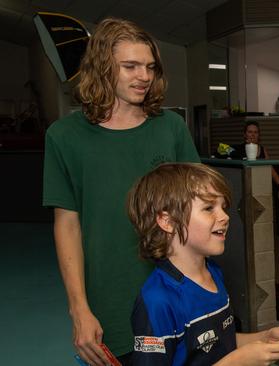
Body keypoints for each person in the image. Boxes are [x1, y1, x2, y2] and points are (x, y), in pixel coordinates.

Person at [42, 18, 200, 364]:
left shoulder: (170, 128)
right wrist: (79, 309)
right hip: (109, 299)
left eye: (149, 67)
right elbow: (67, 224)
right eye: (130, 66)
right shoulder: (64, 137)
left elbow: (198, 207)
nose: (143, 76)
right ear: (101, 67)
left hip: (176, 291)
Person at [126, 162, 279, 365]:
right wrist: (236, 362)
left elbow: (219, 343)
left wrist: (265, 338)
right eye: (209, 208)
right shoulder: (157, 301)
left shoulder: (213, 272)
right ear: (168, 222)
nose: (225, 216)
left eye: (223, 207)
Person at [233, 121, 279, 198]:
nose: (253, 135)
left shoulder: (262, 149)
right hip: (245, 187)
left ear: (259, 135)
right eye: (250, 132)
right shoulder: (238, 150)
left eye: (256, 132)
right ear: (245, 134)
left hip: (261, 185)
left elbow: (270, 168)